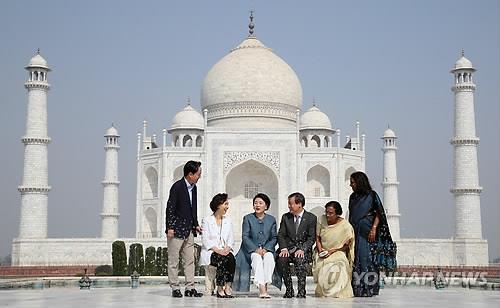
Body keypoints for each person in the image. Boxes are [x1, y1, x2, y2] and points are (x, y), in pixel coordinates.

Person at [348, 171, 396, 297]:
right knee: (357, 259)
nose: (350, 185)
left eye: (352, 182)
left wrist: (374, 228)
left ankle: (369, 289)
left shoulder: (371, 195)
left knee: (368, 259)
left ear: (359, 182)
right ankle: (358, 289)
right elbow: (352, 215)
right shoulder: (353, 197)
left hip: (368, 232)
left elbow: (379, 213)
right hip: (356, 232)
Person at [165, 160, 203, 298]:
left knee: (189, 260)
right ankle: (175, 287)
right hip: (176, 230)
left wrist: (196, 224)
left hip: (189, 230)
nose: (199, 176)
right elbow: (170, 208)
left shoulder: (194, 188)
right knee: (174, 260)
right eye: (198, 174)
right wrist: (170, 227)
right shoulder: (177, 187)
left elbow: (193, 209)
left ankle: (189, 287)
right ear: (190, 174)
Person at [233, 193, 278, 298]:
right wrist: (255, 249)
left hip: (267, 250)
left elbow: (274, 238)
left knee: (269, 258)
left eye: (260, 203)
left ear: (266, 206)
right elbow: (245, 237)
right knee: (257, 259)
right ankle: (262, 288)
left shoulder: (271, 220)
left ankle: (265, 285)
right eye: (255, 203)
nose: (257, 205)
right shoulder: (248, 218)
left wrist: (266, 249)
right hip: (250, 251)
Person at [274, 192, 317, 298]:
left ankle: (301, 290)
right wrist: (283, 248)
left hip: (303, 251)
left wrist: (302, 249)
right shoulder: (286, 217)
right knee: (281, 259)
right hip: (288, 249)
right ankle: (289, 289)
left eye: (291, 203)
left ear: (299, 204)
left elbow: (311, 238)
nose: (289, 206)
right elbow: (281, 235)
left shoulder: (311, 218)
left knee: (300, 260)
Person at [312, 201, 354, 298]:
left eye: (331, 213)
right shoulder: (321, 220)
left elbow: (347, 245)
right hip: (323, 250)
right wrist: (320, 250)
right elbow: (317, 238)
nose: (328, 215)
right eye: (326, 212)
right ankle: (325, 292)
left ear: (337, 213)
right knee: (324, 265)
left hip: (338, 251)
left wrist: (332, 251)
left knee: (340, 264)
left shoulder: (345, 225)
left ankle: (339, 292)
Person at [200, 193, 236, 298]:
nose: (227, 207)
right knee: (222, 259)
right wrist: (218, 250)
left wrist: (227, 248)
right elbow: (205, 240)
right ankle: (220, 288)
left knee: (231, 259)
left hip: (224, 250)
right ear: (218, 205)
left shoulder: (228, 221)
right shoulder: (207, 220)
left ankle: (228, 286)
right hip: (212, 251)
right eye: (225, 204)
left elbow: (231, 239)